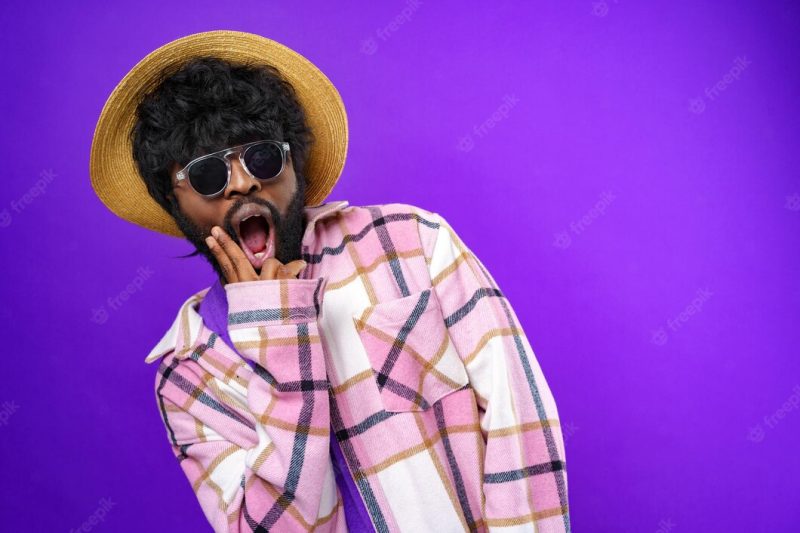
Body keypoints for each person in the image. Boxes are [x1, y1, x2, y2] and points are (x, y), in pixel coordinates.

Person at [89, 30, 570, 533]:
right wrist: (280, 337)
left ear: (294, 163)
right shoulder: (190, 377)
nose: (243, 182)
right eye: (209, 173)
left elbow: (520, 415)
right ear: (174, 203)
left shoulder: (411, 242)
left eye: (262, 157)